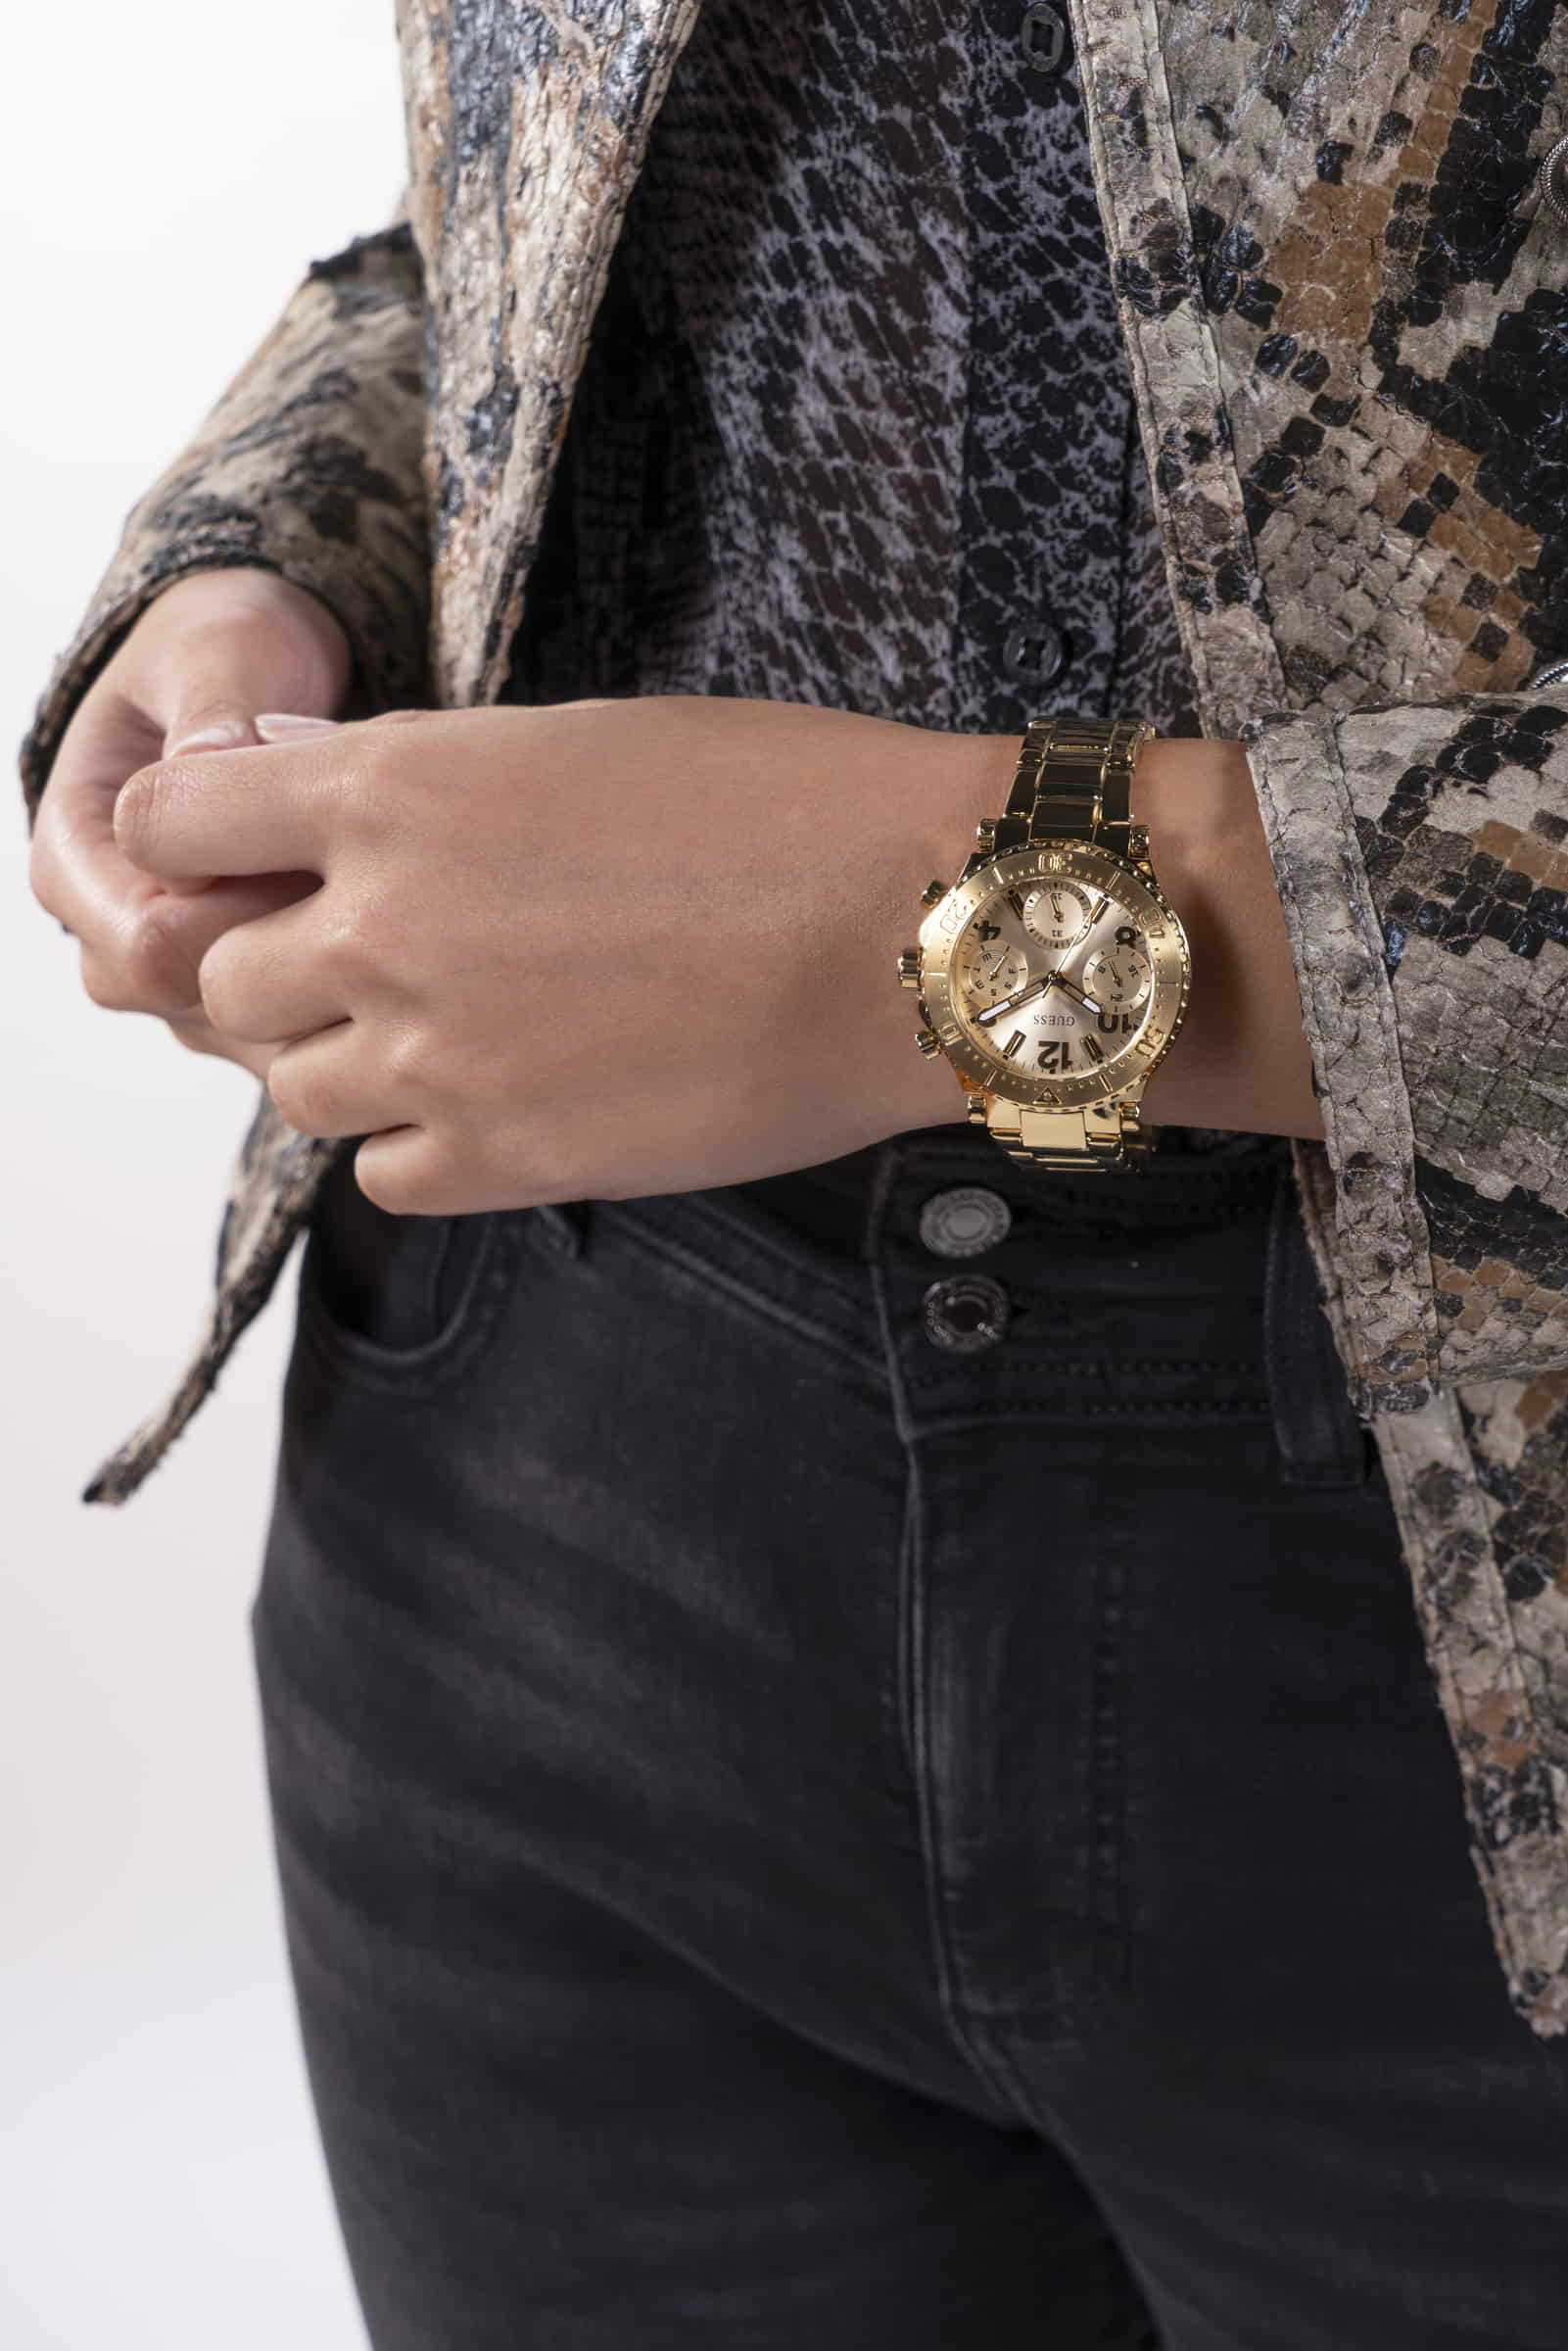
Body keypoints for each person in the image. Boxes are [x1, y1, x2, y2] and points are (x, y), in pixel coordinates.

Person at [20, 0, 1568, 2342]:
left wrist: (938, 934)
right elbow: (533, 217)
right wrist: (273, 543)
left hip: (1470, 1601)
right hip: (539, 1461)